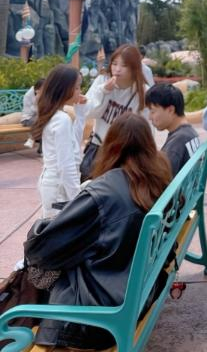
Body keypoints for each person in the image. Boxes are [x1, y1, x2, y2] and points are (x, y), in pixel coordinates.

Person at [24, 112, 172, 350]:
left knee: (40, 268)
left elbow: (41, 249)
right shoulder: (157, 175)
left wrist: (44, 224)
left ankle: (23, 324)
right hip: (140, 288)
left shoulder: (103, 192)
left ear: (111, 145)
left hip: (98, 316)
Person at [79, 44, 148, 181]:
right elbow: (89, 112)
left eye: (124, 65)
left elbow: (145, 129)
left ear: (134, 68)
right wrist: (104, 91)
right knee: (89, 188)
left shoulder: (142, 92)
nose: (117, 69)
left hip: (123, 154)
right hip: (98, 148)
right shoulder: (102, 80)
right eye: (114, 64)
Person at [30, 66, 84, 219]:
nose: (80, 91)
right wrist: (77, 199)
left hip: (54, 184)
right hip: (58, 188)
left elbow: (75, 143)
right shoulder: (62, 119)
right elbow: (66, 165)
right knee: (58, 229)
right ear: (64, 90)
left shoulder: (57, 116)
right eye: (77, 88)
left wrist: (81, 110)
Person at [146, 83, 200, 175]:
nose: (149, 117)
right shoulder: (189, 133)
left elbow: (160, 179)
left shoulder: (178, 142)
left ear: (170, 110)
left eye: (153, 111)